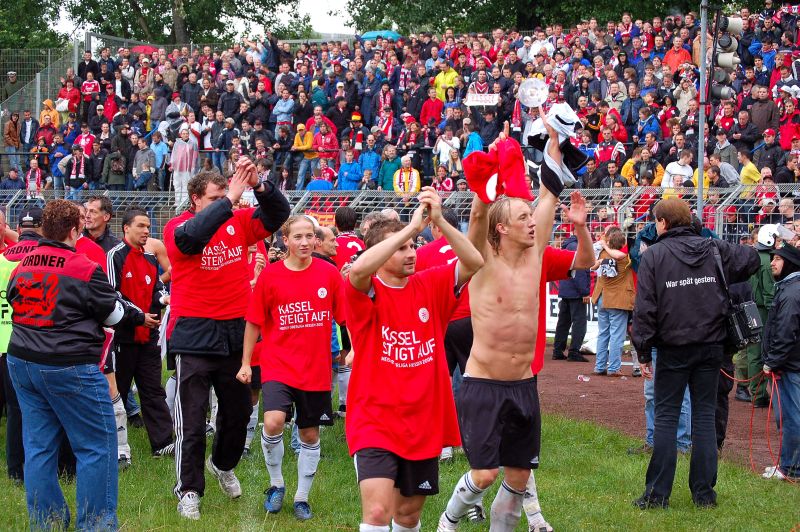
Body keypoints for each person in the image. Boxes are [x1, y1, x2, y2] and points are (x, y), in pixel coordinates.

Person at [439, 119, 594, 531]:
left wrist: (555, 140)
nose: (532, 221)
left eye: (531, 216)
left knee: (519, 477)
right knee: (484, 474)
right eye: (522, 217)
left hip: (523, 384)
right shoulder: (481, 259)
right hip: (484, 384)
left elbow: (549, 190)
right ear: (502, 227)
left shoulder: (536, 253)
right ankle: (448, 521)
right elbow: (478, 214)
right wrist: (491, 168)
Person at [345, 187, 484, 532]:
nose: (411, 253)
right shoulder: (366, 291)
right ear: (380, 254)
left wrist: (439, 221)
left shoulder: (431, 283)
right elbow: (358, 270)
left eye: (412, 246)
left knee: (408, 515)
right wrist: (409, 227)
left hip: (422, 420)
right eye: (401, 248)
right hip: (375, 419)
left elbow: (474, 261)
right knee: (378, 512)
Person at [5, 200, 145, 531]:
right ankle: (96, 525)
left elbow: (12, 298)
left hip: (22, 361)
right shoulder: (82, 267)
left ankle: (47, 522)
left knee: (38, 446)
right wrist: (135, 314)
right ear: (74, 230)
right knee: (96, 446)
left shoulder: (23, 263)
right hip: (68, 364)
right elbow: (113, 314)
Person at [164, 160, 290, 520]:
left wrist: (260, 185)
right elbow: (191, 239)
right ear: (195, 199)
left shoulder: (238, 221)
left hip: (235, 332)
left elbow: (278, 214)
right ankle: (189, 490)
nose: (226, 202)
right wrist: (230, 198)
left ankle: (221, 464)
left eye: (227, 195)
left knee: (239, 412)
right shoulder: (178, 226)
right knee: (192, 419)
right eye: (216, 197)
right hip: (194, 332)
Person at [632, 198, 760, 509]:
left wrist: (643, 351)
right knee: (703, 416)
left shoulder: (655, 255)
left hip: (675, 347)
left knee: (667, 416)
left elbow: (645, 309)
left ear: (663, 223)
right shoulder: (713, 248)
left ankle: (657, 495)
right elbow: (751, 258)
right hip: (709, 345)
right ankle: (703, 495)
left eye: (656, 221)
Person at [239, 215, 346, 521]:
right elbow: (254, 322)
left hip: (315, 369)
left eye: (309, 236)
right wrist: (246, 363)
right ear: (285, 241)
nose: (304, 242)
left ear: (316, 240)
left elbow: (346, 317)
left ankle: (301, 498)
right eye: (297, 237)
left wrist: (353, 350)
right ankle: (276, 485)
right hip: (278, 366)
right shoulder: (271, 276)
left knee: (309, 434)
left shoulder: (329, 273)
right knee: (273, 422)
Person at [107, 209, 175, 461]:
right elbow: (112, 295)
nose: (147, 231)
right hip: (123, 338)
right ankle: (113, 447)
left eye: (148, 226)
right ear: (126, 228)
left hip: (149, 337)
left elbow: (157, 288)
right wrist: (139, 316)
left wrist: (164, 299)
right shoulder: (115, 256)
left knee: (153, 390)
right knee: (118, 393)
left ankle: (163, 443)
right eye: (141, 226)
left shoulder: (148, 258)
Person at [761, 243, 800, 481]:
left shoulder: (792, 292)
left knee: (791, 417)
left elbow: (785, 332)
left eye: (777, 259)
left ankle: (792, 468)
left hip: (790, 366)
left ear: (790, 264)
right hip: (790, 364)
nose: (772, 263)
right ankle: (789, 465)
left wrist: (772, 362)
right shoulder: (790, 288)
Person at [591, 227, 636, 377]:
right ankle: (613, 368)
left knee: (603, 333)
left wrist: (604, 245)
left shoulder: (602, 253)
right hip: (618, 300)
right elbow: (619, 255)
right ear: (622, 242)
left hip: (602, 297)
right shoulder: (625, 257)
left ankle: (599, 366)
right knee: (617, 335)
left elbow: (591, 265)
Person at [552, 231, 591, 362]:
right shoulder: (577, 247)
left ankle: (558, 350)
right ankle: (574, 351)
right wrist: (585, 292)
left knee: (563, 322)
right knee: (579, 323)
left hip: (566, 288)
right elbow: (579, 271)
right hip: (575, 292)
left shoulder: (567, 245)